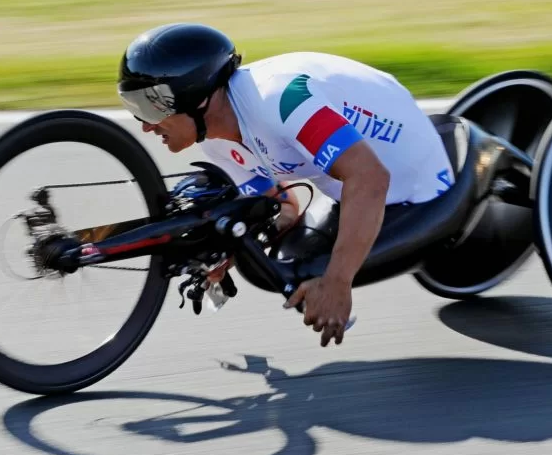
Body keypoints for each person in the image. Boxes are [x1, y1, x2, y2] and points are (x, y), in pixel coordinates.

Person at [117, 22, 454, 347]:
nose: (145, 125)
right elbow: (283, 208)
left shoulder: (283, 101)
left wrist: (338, 283)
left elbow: (370, 178)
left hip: (418, 188)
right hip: (350, 187)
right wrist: (225, 251)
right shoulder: (215, 140)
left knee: (309, 269)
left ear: (198, 96)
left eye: (151, 105)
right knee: (269, 264)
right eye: (134, 107)